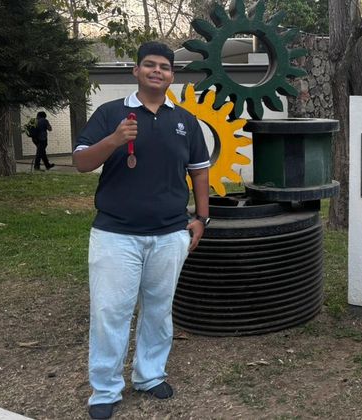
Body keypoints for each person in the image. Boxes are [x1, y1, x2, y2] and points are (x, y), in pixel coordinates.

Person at [73, 41, 211, 420]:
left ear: (172, 75)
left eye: (164, 67)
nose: (156, 71)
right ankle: (105, 389)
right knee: (110, 312)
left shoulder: (184, 120)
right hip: (116, 234)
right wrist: (114, 139)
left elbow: (199, 171)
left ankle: (149, 376)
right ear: (136, 71)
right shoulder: (110, 113)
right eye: (149, 65)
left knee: (158, 310)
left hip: (169, 234)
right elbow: (81, 162)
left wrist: (202, 218)